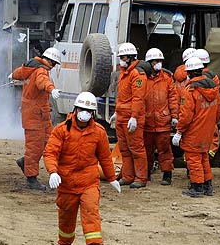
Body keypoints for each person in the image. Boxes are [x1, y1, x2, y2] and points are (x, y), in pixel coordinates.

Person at [44, 91, 121, 245]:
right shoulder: (61, 130)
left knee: (91, 215)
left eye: (88, 111)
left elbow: (105, 157)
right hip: (66, 184)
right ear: (75, 110)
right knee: (66, 221)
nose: (84, 114)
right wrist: (52, 171)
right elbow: (50, 153)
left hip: (89, 183)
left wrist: (112, 178)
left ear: (92, 113)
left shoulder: (98, 132)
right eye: (81, 110)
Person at [11, 47, 62, 190]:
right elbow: (42, 82)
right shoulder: (41, 71)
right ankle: (31, 178)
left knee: (51, 142)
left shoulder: (31, 66)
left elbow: (17, 74)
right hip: (35, 116)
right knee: (34, 147)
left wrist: (12, 75)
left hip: (41, 115)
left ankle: (25, 162)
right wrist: (52, 89)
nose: (54, 67)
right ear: (50, 62)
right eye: (55, 64)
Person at [172, 57, 220, 197]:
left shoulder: (191, 91)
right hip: (208, 130)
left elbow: (186, 115)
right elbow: (218, 111)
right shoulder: (213, 88)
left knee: (193, 160)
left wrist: (179, 132)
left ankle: (197, 187)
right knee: (204, 157)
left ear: (189, 73)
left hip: (193, 131)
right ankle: (207, 186)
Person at [109, 42, 148, 188]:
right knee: (124, 149)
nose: (121, 59)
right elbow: (121, 96)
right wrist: (116, 113)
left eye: (123, 57)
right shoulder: (124, 74)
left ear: (130, 57)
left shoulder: (137, 74)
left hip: (132, 118)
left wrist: (134, 117)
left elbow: (138, 98)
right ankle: (128, 176)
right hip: (122, 116)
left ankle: (140, 178)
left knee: (136, 149)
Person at [143, 48, 178, 185]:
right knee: (147, 150)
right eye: (155, 61)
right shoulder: (143, 79)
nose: (158, 64)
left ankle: (167, 175)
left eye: (160, 61)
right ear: (149, 63)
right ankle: (146, 173)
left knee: (165, 150)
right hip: (147, 122)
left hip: (163, 122)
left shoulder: (167, 79)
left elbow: (173, 98)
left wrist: (175, 116)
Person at [194, 48, 220, 158]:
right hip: (210, 114)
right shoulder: (214, 78)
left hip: (196, 115)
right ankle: (207, 158)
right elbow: (217, 99)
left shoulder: (192, 77)